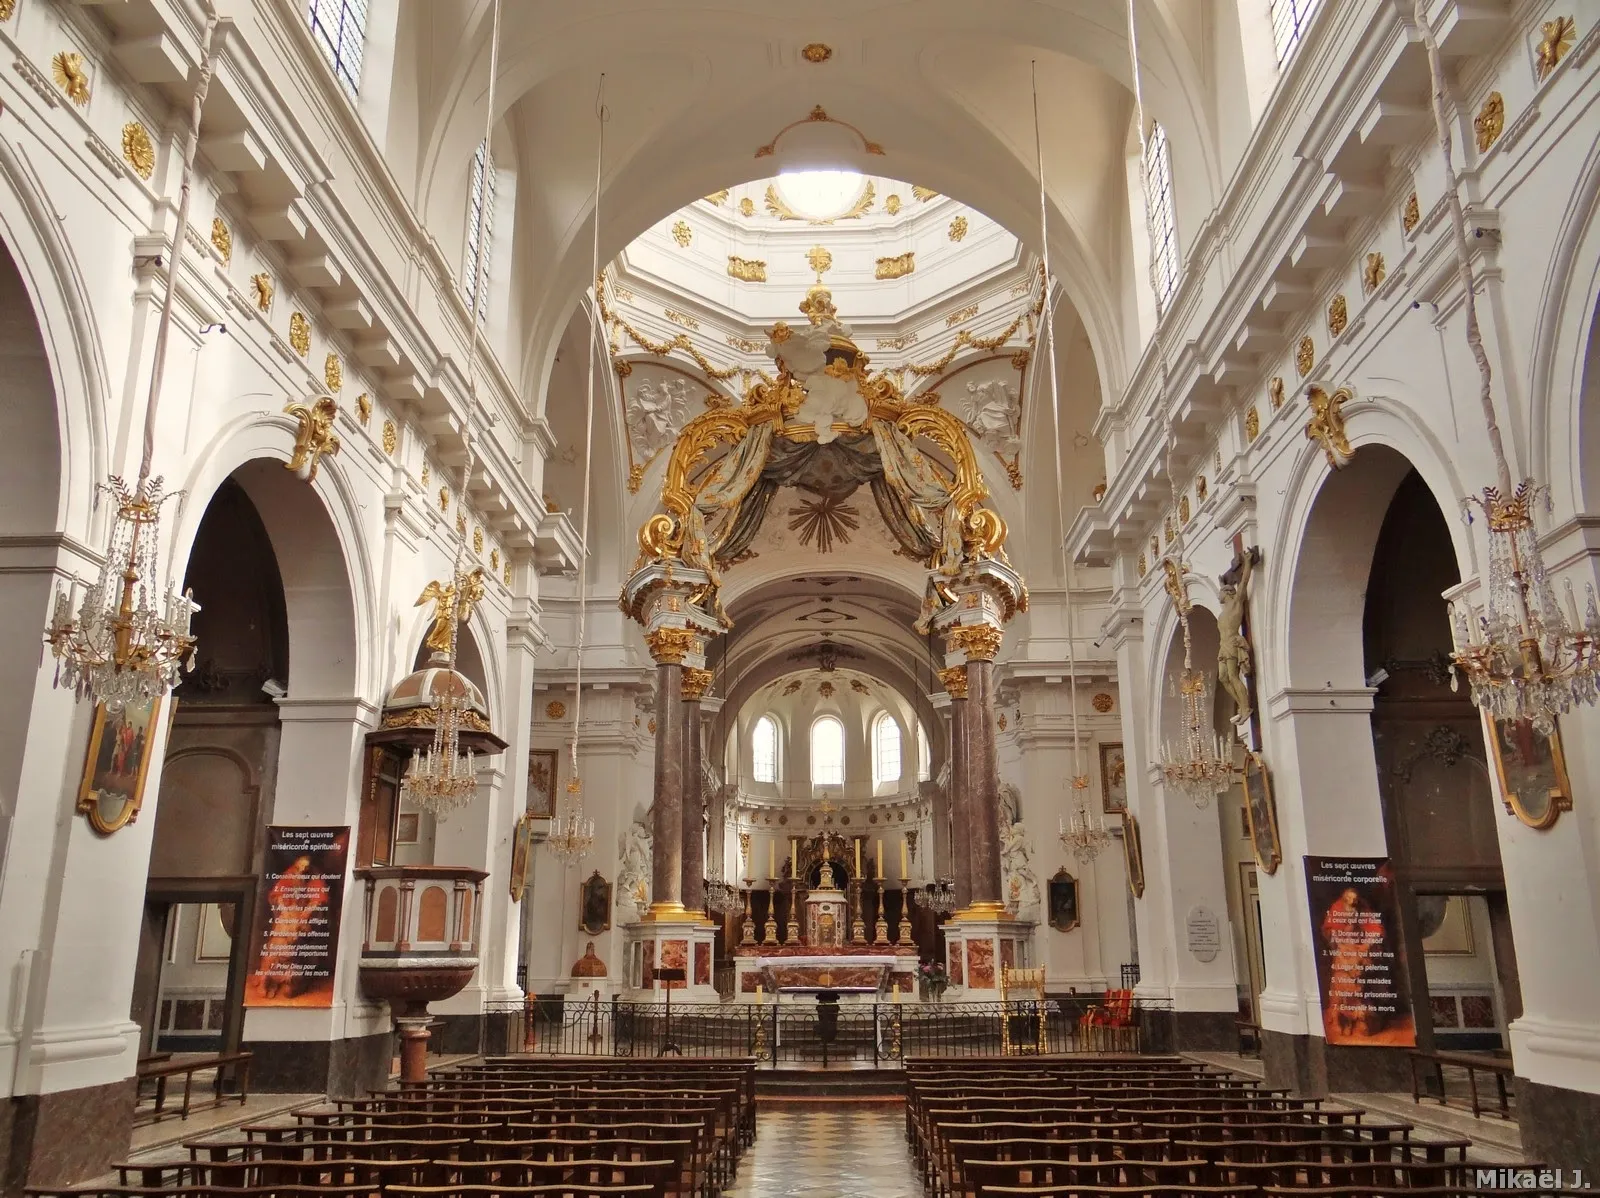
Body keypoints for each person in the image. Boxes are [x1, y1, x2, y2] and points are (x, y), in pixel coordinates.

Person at [1217, 546, 1260, 729]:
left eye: (1221, 591)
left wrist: (1248, 562)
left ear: (1228, 593)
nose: (1219, 593)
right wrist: (1222, 583)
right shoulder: (1224, 611)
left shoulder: (1236, 604)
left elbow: (1243, 582)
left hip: (1233, 642)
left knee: (1234, 677)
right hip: (1223, 646)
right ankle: (1241, 706)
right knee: (1223, 678)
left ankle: (1245, 707)